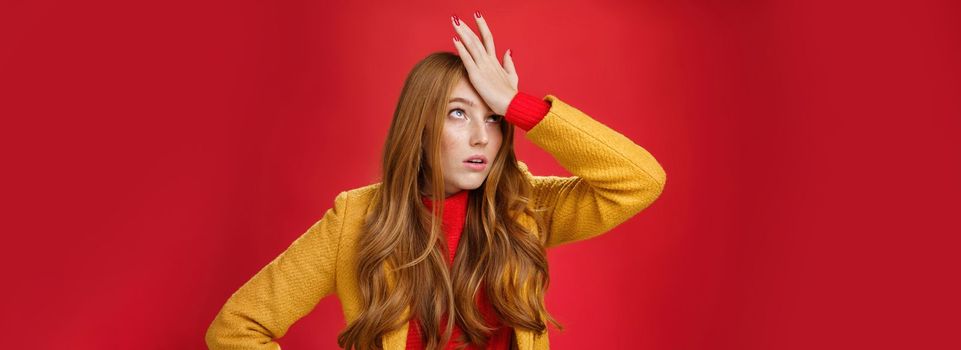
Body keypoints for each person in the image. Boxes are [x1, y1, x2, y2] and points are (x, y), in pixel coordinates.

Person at [205, 11, 666, 350]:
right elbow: (237, 328)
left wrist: (517, 104)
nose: (479, 137)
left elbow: (639, 180)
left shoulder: (525, 208)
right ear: (420, 125)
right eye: (458, 113)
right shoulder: (357, 220)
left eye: (492, 119)